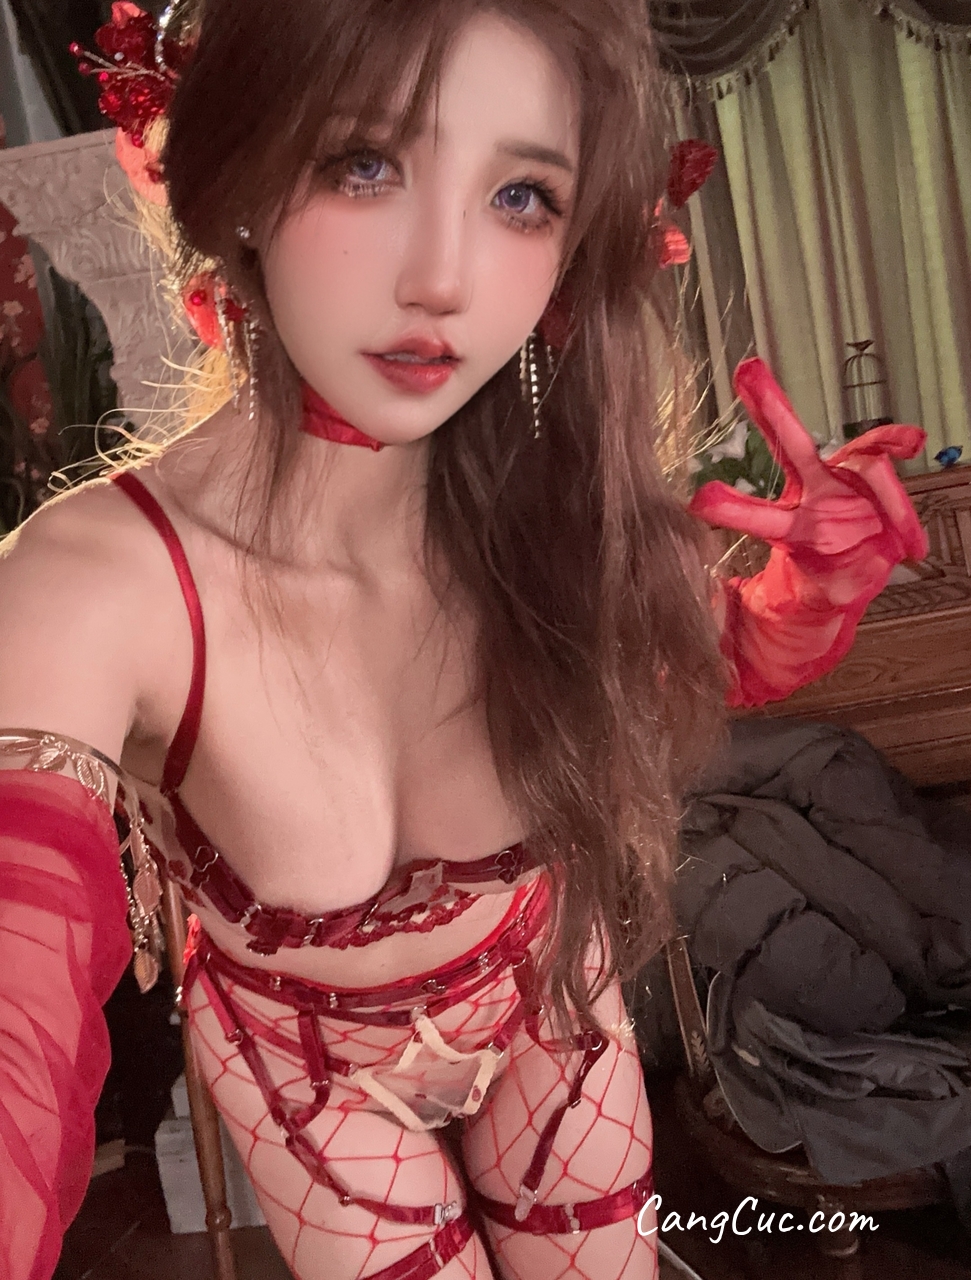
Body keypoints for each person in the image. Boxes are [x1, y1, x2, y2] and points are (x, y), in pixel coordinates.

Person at [0, 2, 927, 1279]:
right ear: (241, 184)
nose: (442, 277)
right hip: (305, 1072)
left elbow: (705, 661)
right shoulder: (95, 582)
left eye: (520, 197)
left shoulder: (557, 513)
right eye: (361, 163)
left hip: (546, 999)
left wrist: (802, 598)